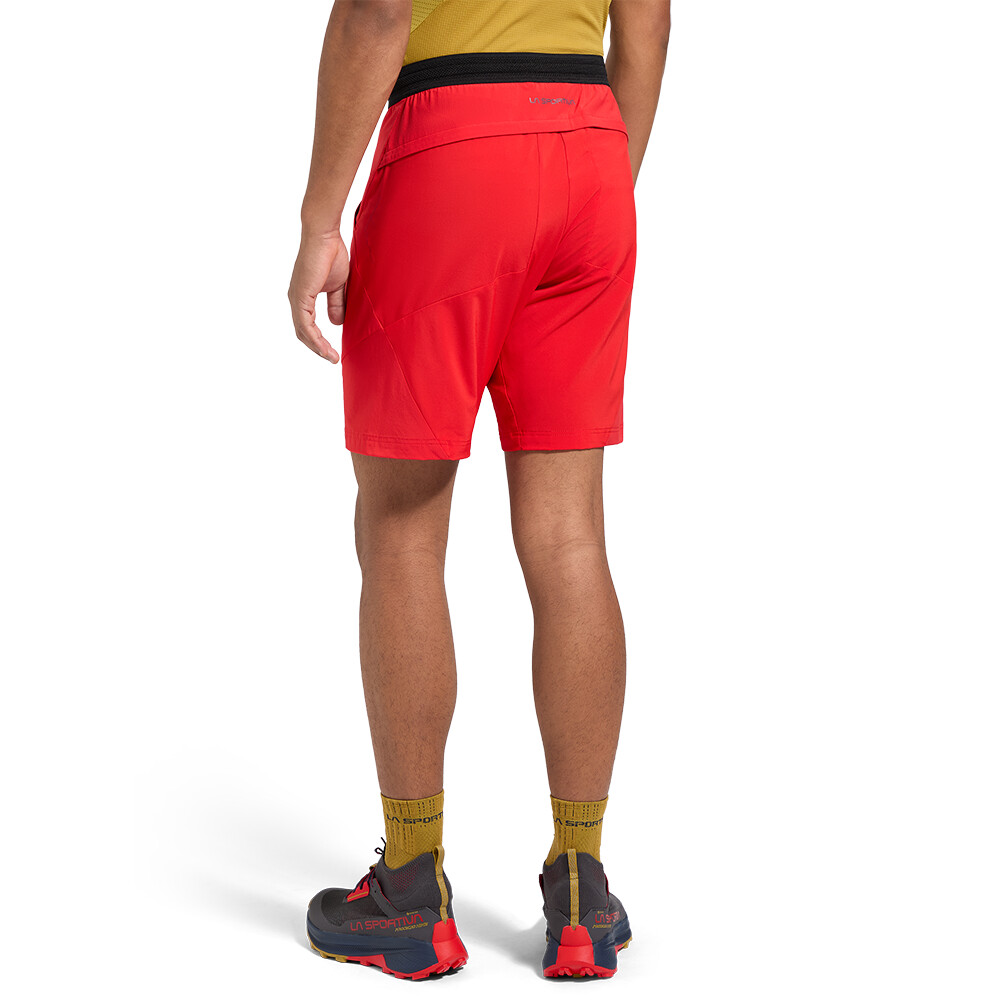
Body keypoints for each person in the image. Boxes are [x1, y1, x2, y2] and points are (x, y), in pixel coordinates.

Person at [287, 0, 670, 980]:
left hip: (450, 147)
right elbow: (647, 20)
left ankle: (411, 890)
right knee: (571, 536)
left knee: (402, 527)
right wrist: (599, 178)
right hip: (590, 146)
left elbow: (377, 10)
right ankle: (581, 891)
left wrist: (319, 220)